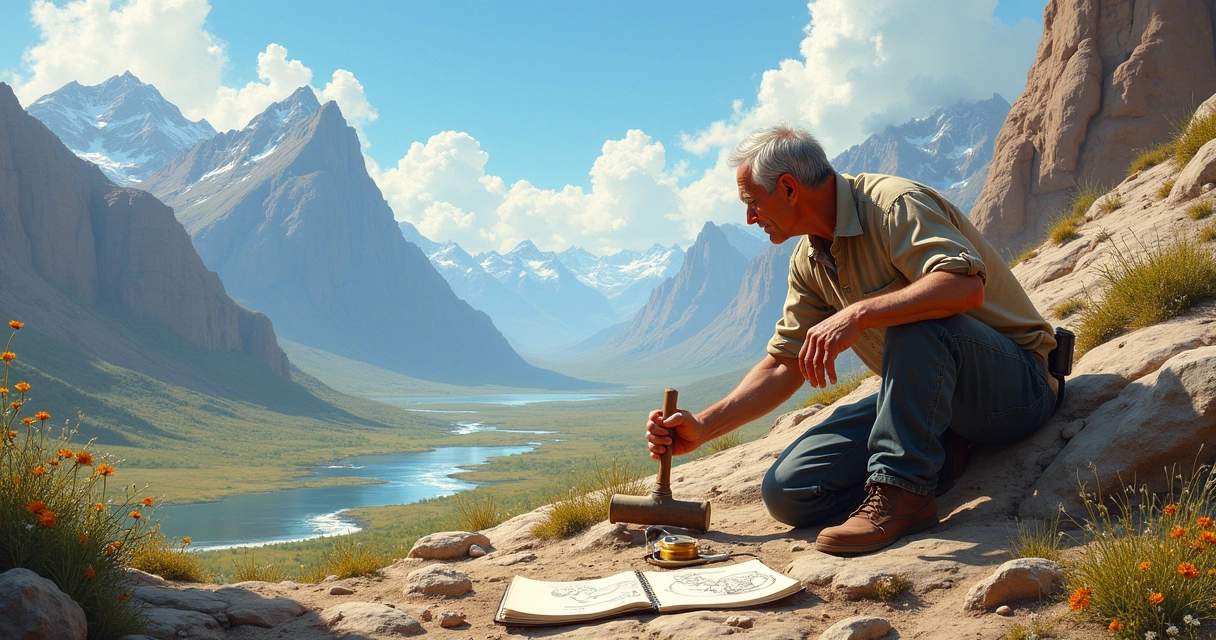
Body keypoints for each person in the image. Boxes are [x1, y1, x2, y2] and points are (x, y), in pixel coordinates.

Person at [645, 124, 1057, 555]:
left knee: (916, 317)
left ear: (788, 188)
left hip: (1020, 387)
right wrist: (703, 427)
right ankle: (942, 451)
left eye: (752, 202)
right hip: (940, 399)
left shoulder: (893, 205)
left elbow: (962, 287)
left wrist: (859, 313)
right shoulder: (809, 258)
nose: (749, 217)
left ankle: (905, 495)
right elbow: (785, 363)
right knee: (790, 491)